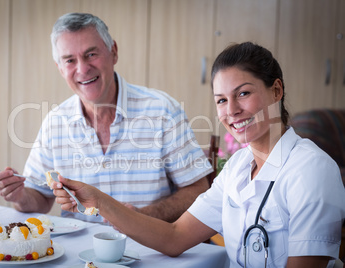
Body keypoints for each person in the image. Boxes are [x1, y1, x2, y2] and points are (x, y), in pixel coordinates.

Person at [53, 42, 345, 267]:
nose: (231, 110)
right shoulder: (237, 169)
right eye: (221, 100)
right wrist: (98, 201)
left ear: (276, 89)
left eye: (243, 93)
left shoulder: (311, 171)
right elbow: (175, 236)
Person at [0, 13, 211, 223]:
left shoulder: (163, 110)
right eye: (70, 60)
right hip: (79, 255)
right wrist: (19, 196)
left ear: (113, 52)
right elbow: (40, 199)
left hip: (149, 251)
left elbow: (198, 190)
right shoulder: (55, 122)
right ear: (60, 68)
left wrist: (142, 218)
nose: (83, 69)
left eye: (91, 54)